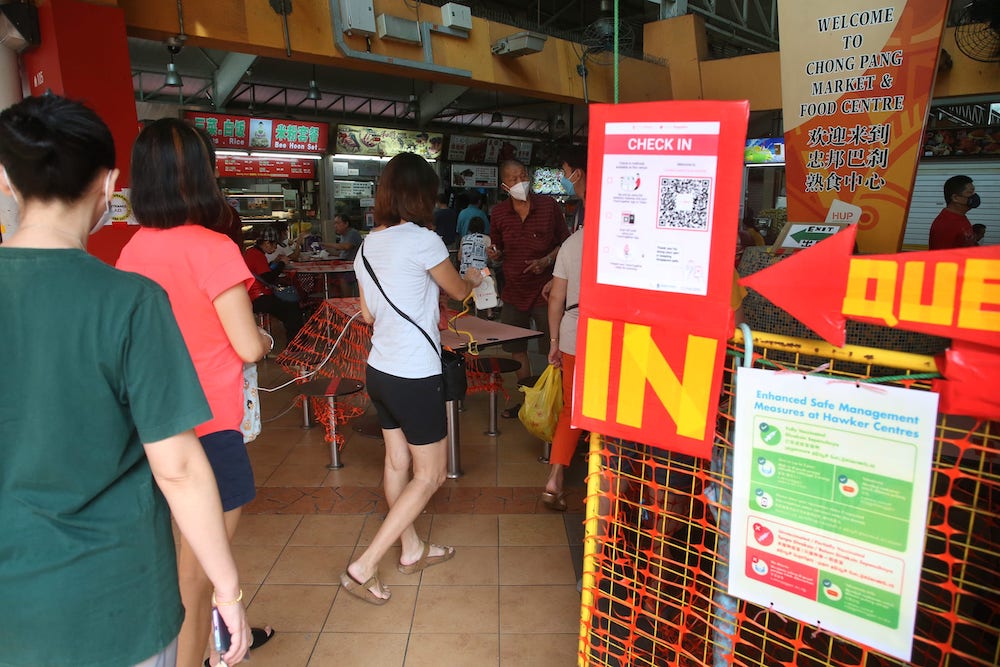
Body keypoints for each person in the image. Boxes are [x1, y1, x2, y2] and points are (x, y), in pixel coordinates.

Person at [0, 95, 249, 667]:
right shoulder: (129, 302)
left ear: (9, 183)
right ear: (110, 184)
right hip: (118, 599)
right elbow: (178, 467)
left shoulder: (134, 272)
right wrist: (227, 591)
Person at [117, 117, 274, 667]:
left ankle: (220, 640)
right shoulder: (213, 249)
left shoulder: (132, 250)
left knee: (184, 561)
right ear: (203, 175)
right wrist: (265, 335)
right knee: (198, 573)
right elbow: (249, 347)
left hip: (154, 428)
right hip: (209, 429)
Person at [344, 152, 483, 604]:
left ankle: (412, 549)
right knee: (430, 476)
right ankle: (364, 566)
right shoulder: (424, 240)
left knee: (396, 464)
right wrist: (477, 276)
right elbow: (460, 292)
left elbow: (366, 313)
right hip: (414, 374)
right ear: (421, 195)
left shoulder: (366, 245)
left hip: (380, 370)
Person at [489, 158, 570, 387]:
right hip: (513, 292)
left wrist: (546, 261)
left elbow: (566, 244)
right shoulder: (499, 213)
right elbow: (498, 247)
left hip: (547, 292)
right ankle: (528, 398)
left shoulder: (548, 206)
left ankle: (554, 399)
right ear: (504, 185)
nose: (520, 182)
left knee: (553, 348)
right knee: (517, 348)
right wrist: (495, 253)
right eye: (513, 179)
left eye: (523, 176)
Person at [244, 225, 304, 343]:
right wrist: (281, 264)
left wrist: (274, 262)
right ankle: (295, 345)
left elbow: (262, 274)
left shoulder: (250, 252)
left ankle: (295, 342)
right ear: (266, 243)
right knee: (292, 308)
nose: (276, 248)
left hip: (251, 296)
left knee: (289, 307)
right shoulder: (257, 255)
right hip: (259, 298)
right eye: (274, 244)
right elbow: (268, 278)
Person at [929, 175, 979, 250]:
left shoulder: (960, 217)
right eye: (970, 192)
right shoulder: (945, 224)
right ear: (955, 198)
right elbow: (940, 258)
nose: (974, 196)